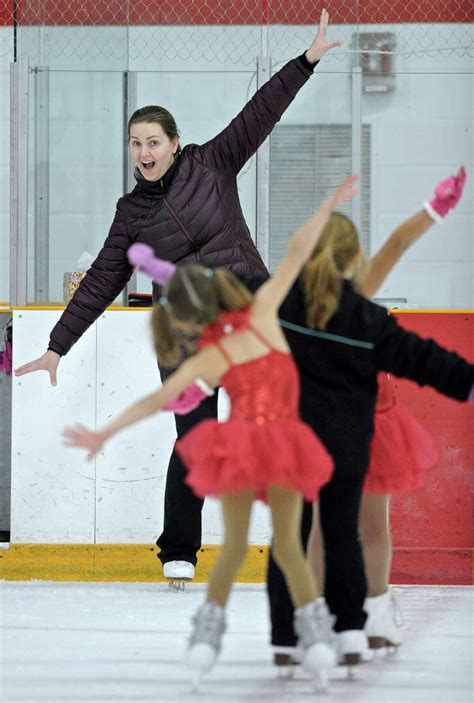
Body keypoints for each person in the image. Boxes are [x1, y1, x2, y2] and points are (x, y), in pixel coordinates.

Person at [14, 9, 342, 584]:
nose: (143, 151)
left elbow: (259, 113)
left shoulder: (212, 165)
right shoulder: (131, 212)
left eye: (153, 141)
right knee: (194, 438)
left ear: (174, 144)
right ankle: (178, 551)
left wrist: (306, 60)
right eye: (135, 143)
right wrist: (56, 346)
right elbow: (100, 282)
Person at [64, 175, 358, 687]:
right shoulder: (255, 325)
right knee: (286, 545)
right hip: (277, 447)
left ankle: (207, 637)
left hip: (246, 449)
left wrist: (103, 434)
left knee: (240, 548)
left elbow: (156, 398)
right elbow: (292, 259)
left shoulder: (220, 349)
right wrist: (326, 207)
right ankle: (312, 635)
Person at [266, 168, 473, 667]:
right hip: (356, 433)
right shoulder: (363, 306)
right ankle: (361, 625)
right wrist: (436, 208)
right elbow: (399, 251)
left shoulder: (286, 305)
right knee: (352, 531)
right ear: (354, 257)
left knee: (300, 533)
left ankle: (295, 630)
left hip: (304, 434)